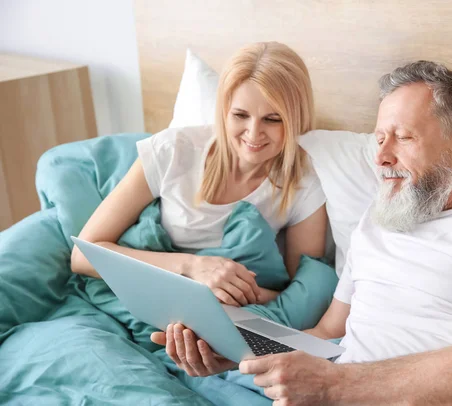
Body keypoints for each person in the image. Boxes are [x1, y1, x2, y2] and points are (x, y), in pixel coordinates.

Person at [156, 61, 452, 405]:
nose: (381, 157)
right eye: (379, 138)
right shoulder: (376, 221)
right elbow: (326, 337)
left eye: (402, 137)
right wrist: (236, 351)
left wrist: (339, 387)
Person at [71, 42, 328, 373]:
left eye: (273, 119)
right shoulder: (173, 150)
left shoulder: (303, 184)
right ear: (223, 110)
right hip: (145, 292)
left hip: (226, 313)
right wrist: (193, 269)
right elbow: (83, 256)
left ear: (295, 118)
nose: (254, 133)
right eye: (240, 115)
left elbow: (298, 292)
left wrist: (224, 296)